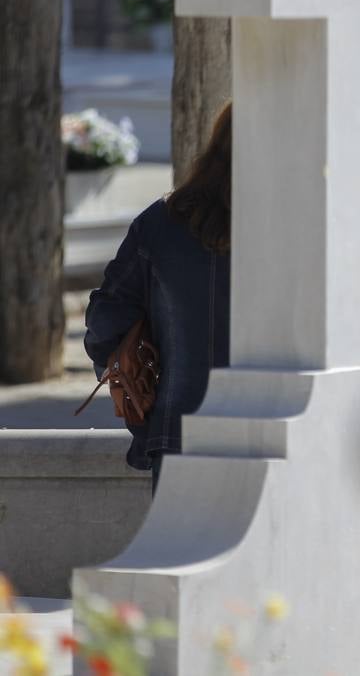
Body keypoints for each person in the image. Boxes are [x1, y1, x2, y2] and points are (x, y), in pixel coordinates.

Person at [84, 103, 232, 493]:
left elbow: (105, 319)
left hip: (180, 431)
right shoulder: (300, 227)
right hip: (282, 430)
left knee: (183, 553)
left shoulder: (162, 222)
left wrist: (133, 370)